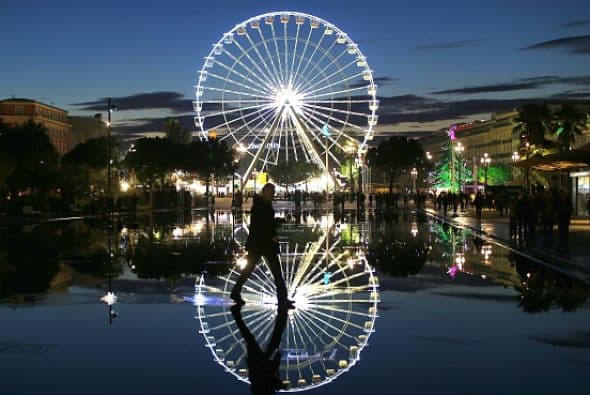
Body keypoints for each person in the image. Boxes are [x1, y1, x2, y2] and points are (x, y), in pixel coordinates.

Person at [230, 183, 294, 309]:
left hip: (262, 244)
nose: (273, 195)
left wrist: (282, 220)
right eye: (271, 193)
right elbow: (258, 226)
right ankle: (282, 299)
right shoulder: (258, 206)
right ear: (264, 192)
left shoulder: (265, 204)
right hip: (261, 244)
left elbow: (268, 222)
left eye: (273, 193)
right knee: (272, 271)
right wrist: (271, 236)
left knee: (270, 271)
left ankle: (236, 292)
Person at [231, 304, 288, 394]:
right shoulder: (259, 387)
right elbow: (271, 380)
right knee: (251, 339)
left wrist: (281, 385)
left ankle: (283, 311)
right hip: (260, 364)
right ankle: (236, 314)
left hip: (261, 364)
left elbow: (270, 380)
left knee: (275, 336)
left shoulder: (263, 388)